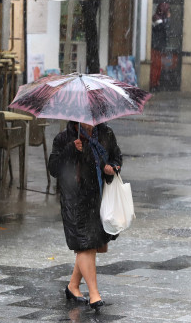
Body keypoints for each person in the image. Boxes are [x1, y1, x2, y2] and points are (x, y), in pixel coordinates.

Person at [48, 121, 122, 312]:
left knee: (91, 244)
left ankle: (73, 286)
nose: (88, 123)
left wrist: (111, 168)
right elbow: (54, 169)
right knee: (85, 244)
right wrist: (71, 150)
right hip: (74, 199)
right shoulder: (65, 138)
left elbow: (116, 157)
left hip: (97, 197)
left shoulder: (105, 133)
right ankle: (94, 294)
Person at [150, 2, 171, 92]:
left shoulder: (162, 18)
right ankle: (153, 84)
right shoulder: (156, 17)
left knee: (158, 66)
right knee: (155, 65)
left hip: (160, 45)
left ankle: (156, 83)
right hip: (156, 46)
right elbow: (162, 27)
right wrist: (168, 19)